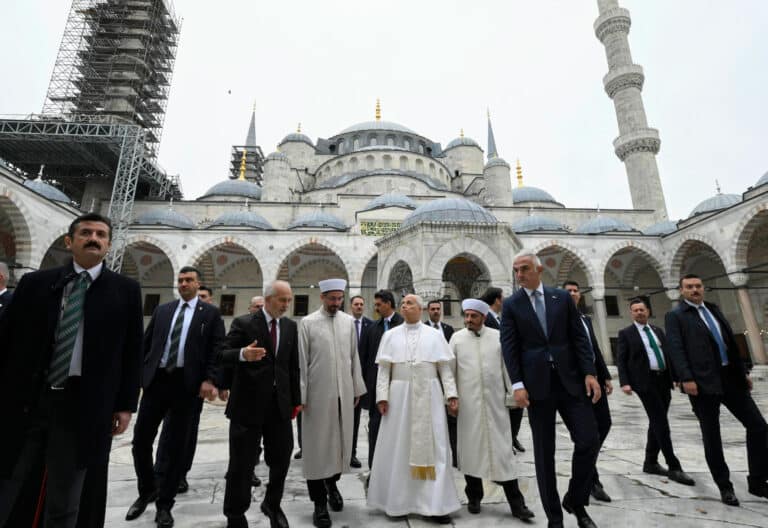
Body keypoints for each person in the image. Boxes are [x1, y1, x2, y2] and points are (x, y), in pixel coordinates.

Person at [0, 212, 143, 528]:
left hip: (82, 405)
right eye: (86, 233)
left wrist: (125, 405)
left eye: (101, 235)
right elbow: (7, 339)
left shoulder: (125, 290)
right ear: (69, 241)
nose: (94, 239)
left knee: (65, 496)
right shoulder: (36, 284)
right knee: (10, 477)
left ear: (108, 245)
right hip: (30, 397)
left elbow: (132, 352)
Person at [500, 251, 601, 528]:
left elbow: (578, 338)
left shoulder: (562, 298)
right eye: (516, 270)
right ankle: (554, 518)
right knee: (545, 455)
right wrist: (517, 384)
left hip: (570, 382)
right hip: (537, 387)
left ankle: (576, 500)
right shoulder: (512, 305)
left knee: (589, 440)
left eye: (524, 269)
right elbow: (509, 347)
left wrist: (590, 372)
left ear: (539, 269)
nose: (519, 275)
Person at [126, 266, 224, 527]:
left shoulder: (210, 313)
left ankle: (165, 504)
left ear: (198, 283)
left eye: (189, 280)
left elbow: (216, 348)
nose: (183, 284)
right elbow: (147, 343)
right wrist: (139, 375)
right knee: (140, 441)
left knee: (175, 447)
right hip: (157, 382)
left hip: (186, 385)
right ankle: (147, 489)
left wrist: (210, 379)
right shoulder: (163, 310)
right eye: (180, 280)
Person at [665, 274, 768, 506]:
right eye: (689, 287)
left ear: (703, 288)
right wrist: (686, 378)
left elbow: (729, 343)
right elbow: (675, 349)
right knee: (712, 436)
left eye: (698, 286)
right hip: (702, 383)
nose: (694, 290)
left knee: (758, 426)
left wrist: (742, 373)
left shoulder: (713, 309)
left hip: (730, 378)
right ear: (681, 291)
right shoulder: (676, 316)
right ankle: (725, 486)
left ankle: (758, 481)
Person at [367, 294, 460, 524]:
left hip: (429, 395)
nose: (404, 306)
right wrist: (382, 396)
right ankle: (398, 503)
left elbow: (445, 369)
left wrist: (451, 394)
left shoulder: (435, 335)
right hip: (399, 397)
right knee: (398, 447)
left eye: (409, 303)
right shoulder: (390, 335)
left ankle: (436, 506)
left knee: (435, 448)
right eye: (403, 303)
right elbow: (384, 371)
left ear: (421, 308)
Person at [220, 280, 300, 528]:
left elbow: (292, 367)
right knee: (241, 464)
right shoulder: (244, 323)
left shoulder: (289, 327)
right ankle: (235, 514)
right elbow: (221, 354)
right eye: (282, 300)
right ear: (268, 299)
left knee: (282, 459)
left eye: (289, 300)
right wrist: (242, 354)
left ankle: (272, 504)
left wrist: (295, 401)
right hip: (247, 406)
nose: (286, 305)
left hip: (279, 407)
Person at [449, 299, 534, 520]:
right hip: (469, 407)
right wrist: (451, 398)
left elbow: (507, 368)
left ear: (483, 317)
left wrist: (513, 394)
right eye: (466, 315)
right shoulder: (456, 339)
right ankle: (474, 496)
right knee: (471, 453)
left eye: (473, 316)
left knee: (503, 454)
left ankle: (517, 504)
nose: (469, 320)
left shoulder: (497, 337)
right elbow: (450, 372)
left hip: (495, 406)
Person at [298, 278, 366, 528]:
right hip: (317, 397)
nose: (336, 303)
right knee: (317, 451)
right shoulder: (307, 323)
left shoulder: (347, 322)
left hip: (343, 395)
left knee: (340, 447)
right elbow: (302, 363)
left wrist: (356, 387)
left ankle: (332, 484)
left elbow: (354, 357)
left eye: (339, 299)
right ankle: (318, 504)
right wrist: (302, 397)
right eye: (332, 299)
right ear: (322, 297)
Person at [616, 297, 694, 486]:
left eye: (641, 309)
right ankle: (673, 466)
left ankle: (650, 462)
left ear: (648, 311)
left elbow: (668, 354)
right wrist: (625, 382)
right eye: (635, 310)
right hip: (644, 382)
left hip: (663, 380)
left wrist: (675, 376)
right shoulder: (626, 333)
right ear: (631, 313)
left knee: (657, 421)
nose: (639, 313)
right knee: (660, 422)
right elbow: (621, 359)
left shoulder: (657, 331)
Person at [154, 284, 217, 494]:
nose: (200, 300)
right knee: (167, 429)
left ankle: (180, 473)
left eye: (204, 296)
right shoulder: (178, 316)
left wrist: (211, 380)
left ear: (210, 300)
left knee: (187, 431)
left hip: (193, 386)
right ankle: (160, 472)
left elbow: (215, 353)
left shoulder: (211, 321)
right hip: (168, 380)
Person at [562, 280, 614, 503]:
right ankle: (592, 480)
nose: (573, 294)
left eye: (576, 291)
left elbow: (593, 348)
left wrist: (605, 375)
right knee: (586, 434)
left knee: (604, 424)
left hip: (595, 379)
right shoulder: (559, 319)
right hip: (576, 382)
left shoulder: (585, 319)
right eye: (569, 291)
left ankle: (586, 467)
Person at [358, 289, 403, 470]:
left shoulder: (403, 325)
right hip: (376, 389)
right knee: (375, 428)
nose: (376, 308)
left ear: (388, 303)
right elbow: (363, 359)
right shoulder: (371, 328)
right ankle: (374, 469)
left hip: (399, 387)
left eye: (378, 304)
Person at [481, 286, 525, 453]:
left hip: (510, 367)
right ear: (497, 300)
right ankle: (507, 440)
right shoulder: (487, 319)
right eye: (503, 297)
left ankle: (512, 437)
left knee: (517, 404)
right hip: (497, 368)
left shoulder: (499, 318)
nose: (505, 300)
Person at [423, 300, 458, 467]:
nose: (436, 311)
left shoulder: (448, 329)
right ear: (428, 311)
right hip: (430, 379)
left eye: (438, 309)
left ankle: (455, 455)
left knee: (452, 420)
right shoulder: (423, 329)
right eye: (433, 309)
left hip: (446, 378)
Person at [349, 294, 372, 469]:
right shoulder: (345, 324)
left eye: (361, 304)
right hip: (347, 377)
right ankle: (346, 452)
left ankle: (354, 453)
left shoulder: (370, 325)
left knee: (361, 418)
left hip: (365, 378)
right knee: (348, 418)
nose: (359, 306)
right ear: (351, 306)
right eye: (356, 304)